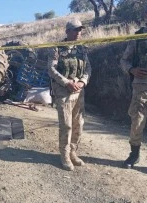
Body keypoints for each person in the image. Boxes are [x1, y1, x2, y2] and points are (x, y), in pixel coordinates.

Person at [47, 19, 91, 171]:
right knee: (66, 125)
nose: (79, 32)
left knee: (78, 124)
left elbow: (88, 69)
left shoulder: (82, 49)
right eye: (76, 29)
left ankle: (73, 152)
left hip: (79, 92)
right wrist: (66, 82)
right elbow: (51, 70)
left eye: (80, 29)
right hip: (63, 92)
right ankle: (64, 155)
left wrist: (82, 82)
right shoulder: (57, 49)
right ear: (67, 31)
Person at [120, 1, 147, 170]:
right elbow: (124, 60)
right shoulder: (138, 36)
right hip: (141, 86)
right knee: (137, 122)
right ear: (146, 15)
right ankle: (134, 154)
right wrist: (132, 69)